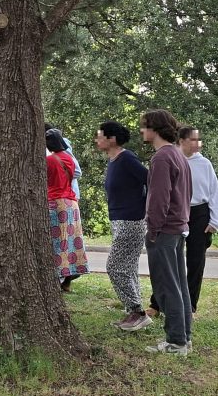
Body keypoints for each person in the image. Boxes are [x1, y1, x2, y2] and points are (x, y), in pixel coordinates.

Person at [147, 127, 218, 317]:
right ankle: (157, 304)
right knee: (168, 259)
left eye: (199, 140)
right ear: (181, 140)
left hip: (199, 214)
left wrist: (215, 221)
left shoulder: (205, 164)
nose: (198, 143)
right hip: (176, 211)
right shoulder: (172, 159)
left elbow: (214, 192)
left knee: (196, 261)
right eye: (193, 139)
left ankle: (189, 305)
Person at [141, 109, 193, 356]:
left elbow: (158, 198)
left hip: (164, 230)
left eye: (143, 126)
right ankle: (184, 338)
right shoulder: (178, 154)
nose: (141, 131)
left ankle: (176, 342)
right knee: (179, 285)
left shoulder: (162, 157)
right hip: (178, 227)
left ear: (154, 128)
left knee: (166, 287)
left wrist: (153, 228)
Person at [95, 121, 150, 331]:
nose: (97, 139)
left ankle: (138, 311)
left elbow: (150, 180)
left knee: (115, 267)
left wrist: (144, 208)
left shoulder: (126, 158)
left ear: (112, 139)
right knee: (128, 268)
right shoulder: (114, 160)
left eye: (100, 136)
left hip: (131, 221)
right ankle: (134, 311)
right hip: (119, 220)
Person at [46, 128, 88, 292]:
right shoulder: (69, 158)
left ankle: (55, 280)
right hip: (71, 203)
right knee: (70, 243)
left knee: (56, 243)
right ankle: (68, 281)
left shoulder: (49, 160)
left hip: (55, 202)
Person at [46, 123, 83, 200]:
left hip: (57, 198)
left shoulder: (51, 159)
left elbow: (77, 172)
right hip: (71, 199)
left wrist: (60, 178)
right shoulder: (68, 159)